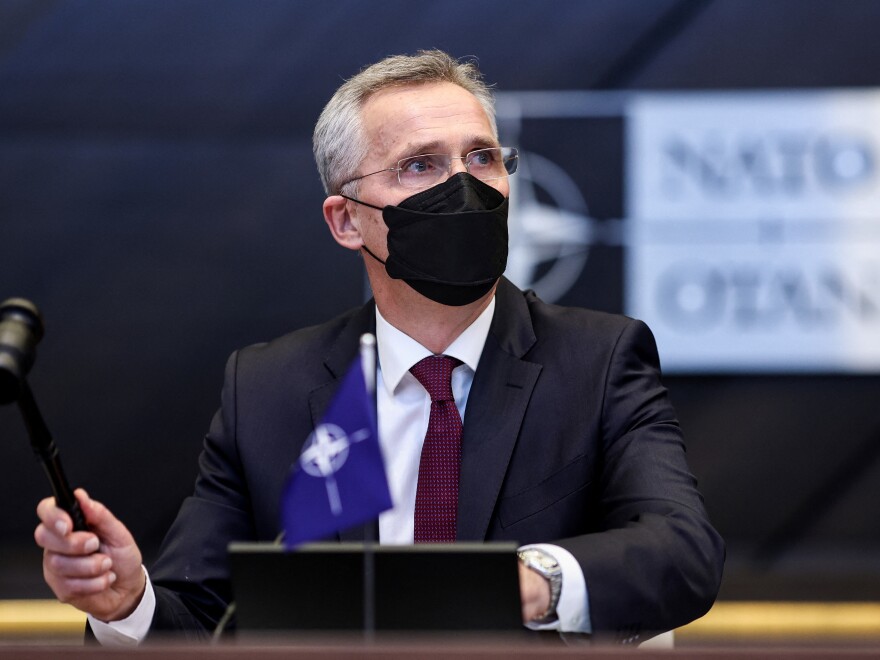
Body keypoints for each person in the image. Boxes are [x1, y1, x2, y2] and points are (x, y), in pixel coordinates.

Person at [34, 49, 724, 645]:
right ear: (346, 221)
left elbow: (684, 553)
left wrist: (525, 583)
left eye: (482, 156)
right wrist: (126, 603)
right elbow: (200, 624)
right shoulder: (270, 387)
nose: (464, 186)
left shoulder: (597, 361)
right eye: (420, 166)